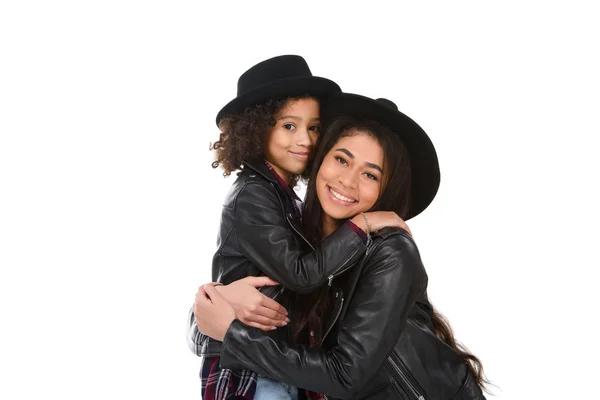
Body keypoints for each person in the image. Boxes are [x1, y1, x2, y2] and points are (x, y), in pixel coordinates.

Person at [193, 93, 489, 399]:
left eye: (370, 174)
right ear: (320, 159)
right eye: (341, 159)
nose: (348, 181)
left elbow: (345, 375)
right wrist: (218, 298)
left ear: (387, 189)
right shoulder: (304, 243)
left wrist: (231, 334)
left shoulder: (392, 251)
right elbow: (210, 323)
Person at [187, 56, 410, 399]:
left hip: (278, 363)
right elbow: (301, 276)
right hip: (254, 370)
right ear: (257, 128)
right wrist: (218, 298)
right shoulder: (254, 193)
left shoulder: (287, 199)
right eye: (289, 126)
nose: (304, 139)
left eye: (314, 128)